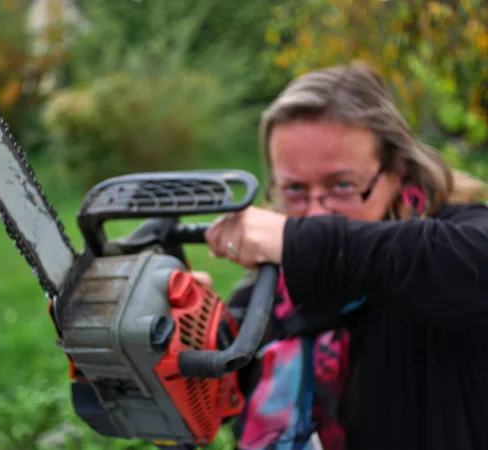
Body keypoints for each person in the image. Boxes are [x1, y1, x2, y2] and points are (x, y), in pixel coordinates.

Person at [203, 61, 488, 450]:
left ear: (396, 170)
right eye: (294, 190)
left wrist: (301, 240)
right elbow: (214, 399)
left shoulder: (455, 241)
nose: (316, 214)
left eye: (341, 185)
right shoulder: (272, 297)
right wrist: (190, 336)